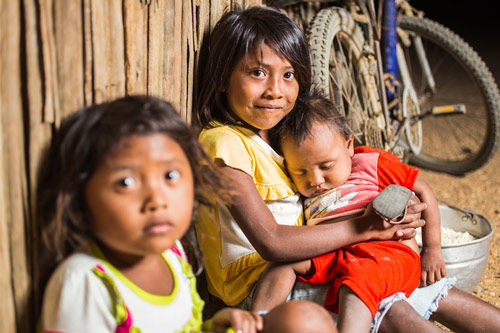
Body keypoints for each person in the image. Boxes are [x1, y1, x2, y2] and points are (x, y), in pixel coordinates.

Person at [194, 5, 500, 333]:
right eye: (257, 72)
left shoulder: (284, 137)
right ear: (224, 77)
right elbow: (272, 243)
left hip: (325, 258)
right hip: (264, 285)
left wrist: (394, 204)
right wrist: (365, 226)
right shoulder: (223, 144)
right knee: (389, 306)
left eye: (288, 74)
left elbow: (353, 179)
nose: (275, 89)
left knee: (437, 292)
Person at [35, 95, 335, 333]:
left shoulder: (172, 255)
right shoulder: (86, 283)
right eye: (125, 182)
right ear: (79, 196)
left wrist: (210, 328)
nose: (157, 199)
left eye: (170, 176)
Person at [252, 94, 446, 332]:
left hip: (383, 251)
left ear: (348, 145)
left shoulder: (371, 163)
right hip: (334, 252)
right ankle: (255, 323)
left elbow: (423, 191)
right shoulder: (295, 182)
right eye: (300, 172)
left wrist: (432, 248)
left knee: (356, 282)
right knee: (281, 265)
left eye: (326, 166)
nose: (316, 180)